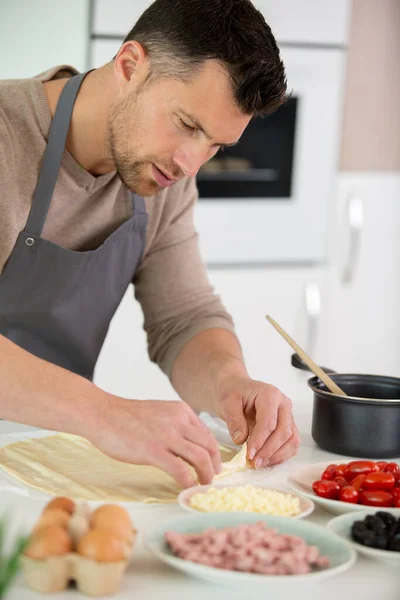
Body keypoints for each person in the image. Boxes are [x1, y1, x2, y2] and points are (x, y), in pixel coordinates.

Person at [0, 0, 300, 489]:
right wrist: (104, 414)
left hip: (41, 462)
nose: (190, 164)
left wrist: (230, 382)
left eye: (216, 146)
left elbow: (184, 318)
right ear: (129, 66)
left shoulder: (167, 178)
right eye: (187, 124)